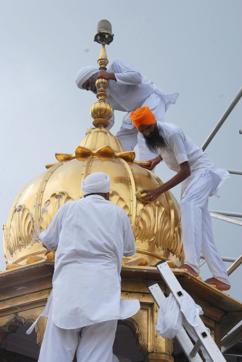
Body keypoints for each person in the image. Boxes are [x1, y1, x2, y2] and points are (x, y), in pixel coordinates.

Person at [36, 172, 140, 362]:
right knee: (97, 356)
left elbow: (47, 242)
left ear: (84, 193)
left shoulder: (69, 208)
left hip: (69, 290)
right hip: (103, 292)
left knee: (56, 353)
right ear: (107, 194)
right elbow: (130, 250)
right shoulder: (118, 213)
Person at [130, 106, 230, 292]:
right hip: (192, 178)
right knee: (203, 227)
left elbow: (186, 170)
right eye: (142, 130)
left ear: (154, 122)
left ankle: (191, 264)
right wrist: (156, 161)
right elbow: (167, 149)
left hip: (201, 173)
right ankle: (221, 277)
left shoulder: (171, 132)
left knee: (188, 206)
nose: (146, 132)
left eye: (148, 128)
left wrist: (158, 191)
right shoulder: (155, 135)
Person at [76, 59, 178, 160]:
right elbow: (109, 120)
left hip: (150, 100)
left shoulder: (115, 66)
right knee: (120, 142)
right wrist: (96, 131)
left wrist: (111, 76)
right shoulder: (104, 96)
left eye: (88, 84)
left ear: (94, 75)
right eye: (86, 88)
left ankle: (147, 170)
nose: (89, 88)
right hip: (134, 112)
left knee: (146, 138)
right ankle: (122, 170)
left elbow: (137, 77)